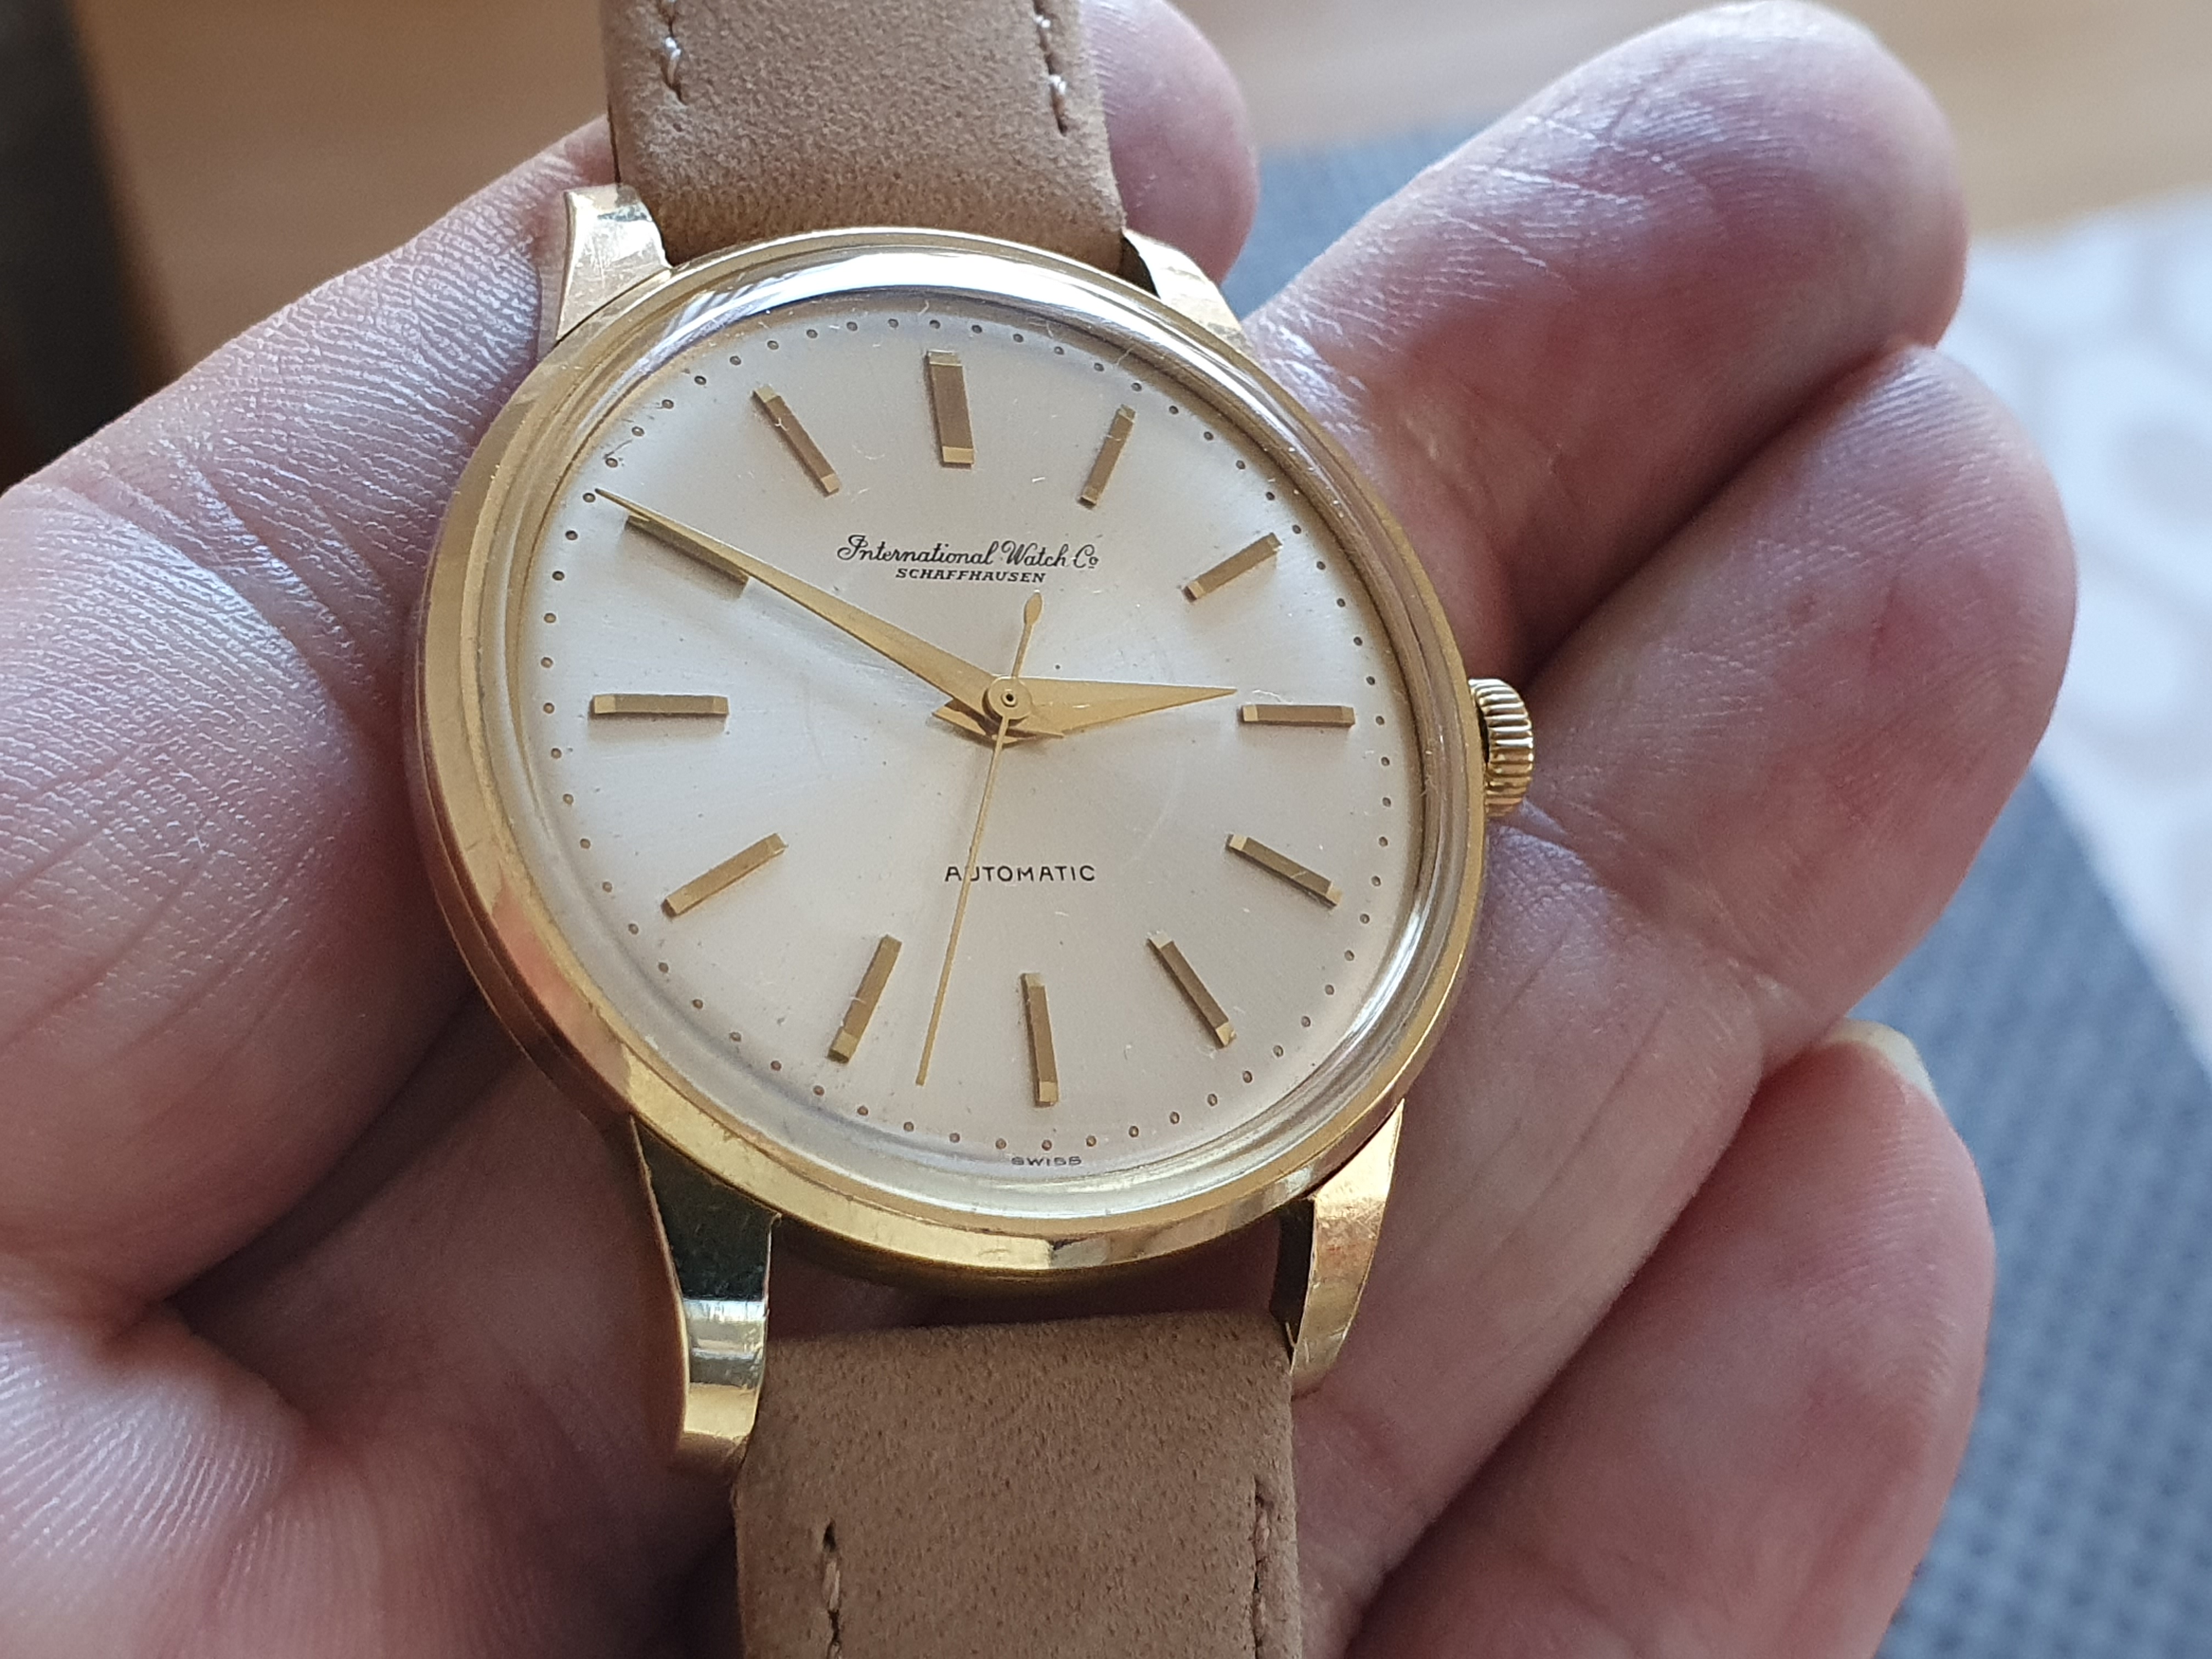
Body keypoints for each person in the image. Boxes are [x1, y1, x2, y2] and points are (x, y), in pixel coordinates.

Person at [0, 1, 2071, 1651]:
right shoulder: (629, 343)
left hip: (1235, 1119)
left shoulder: (1168, 366)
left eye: (1012, 701)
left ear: (1469, 749)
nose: (996, 715)